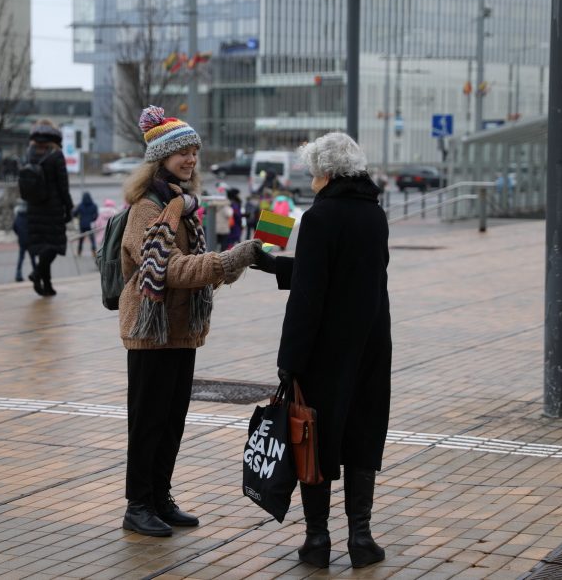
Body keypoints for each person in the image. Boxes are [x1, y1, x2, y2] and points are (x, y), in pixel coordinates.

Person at [118, 105, 262, 537]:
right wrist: (224, 261)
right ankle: (138, 504)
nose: (190, 160)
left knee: (172, 419)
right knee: (148, 421)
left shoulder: (181, 206)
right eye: (182, 152)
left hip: (181, 330)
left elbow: (199, 272)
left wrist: (234, 262)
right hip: (150, 330)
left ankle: (160, 497)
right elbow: (170, 270)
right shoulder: (148, 208)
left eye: (194, 152)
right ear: (160, 158)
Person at [251, 132, 391, 570]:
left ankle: (317, 541)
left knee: (316, 437)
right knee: (361, 436)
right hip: (371, 344)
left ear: (326, 173)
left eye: (313, 174)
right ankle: (362, 539)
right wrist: (276, 265)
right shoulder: (375, 215)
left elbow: (310, 296)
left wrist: (288, 361)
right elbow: (348, 274)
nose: (311, 182)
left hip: (326, 352)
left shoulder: (319, 218)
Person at [26, 120, 73, 296]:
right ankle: (37, 273)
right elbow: (63, 185)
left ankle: (47, 285)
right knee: (53, 246)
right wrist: (69, 208)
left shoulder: (30, 152)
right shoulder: (56, 154)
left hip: (33, 206)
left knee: (42, 246)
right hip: (52, 208)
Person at [12, 199, 36, 282]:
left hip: (22, 241)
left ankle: (18, 274)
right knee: (33, 258)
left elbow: (14, 227)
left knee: (21, 258)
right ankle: (36, 273)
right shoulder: (31, 215)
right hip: (30, 241)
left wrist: (20, 235)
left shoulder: (18, 216)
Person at [72, 191, 99, 257]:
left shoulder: (80, 205)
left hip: (82, 224)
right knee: (92, 239)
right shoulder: (94, 205)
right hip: (90, 225)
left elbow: (74, 213)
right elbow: (96, 215)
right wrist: (92, 219)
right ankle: (94, 252)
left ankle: (79, 252)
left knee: (81, 239)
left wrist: (79, 217)